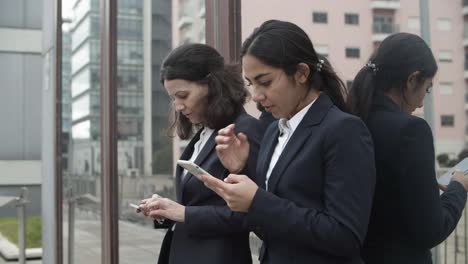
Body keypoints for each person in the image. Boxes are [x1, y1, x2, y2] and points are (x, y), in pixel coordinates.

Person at [199, 20, 376, 263]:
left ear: (302, 73)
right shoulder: (274, 131)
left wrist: (256, 200)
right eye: (252, 84)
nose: (257, 97)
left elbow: (345, 235)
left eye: (266, 81)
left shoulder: (343, 130)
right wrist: (241, 170)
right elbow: (271, 226)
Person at [347, 32, 468, 264]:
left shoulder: (350, 117)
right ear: (412, 80)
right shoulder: (411, 131)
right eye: (427, 88)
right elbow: (431, 230)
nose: (422, 102)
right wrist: (458, 188)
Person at [139, 43, 265, 264]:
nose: (178, 106)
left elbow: (250, 213)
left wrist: (183, 213)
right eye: (173, 98)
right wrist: (167, 211)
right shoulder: (203, 134)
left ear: (212, 86)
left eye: (183, 95)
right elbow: (198, 205)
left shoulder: (244, 131)